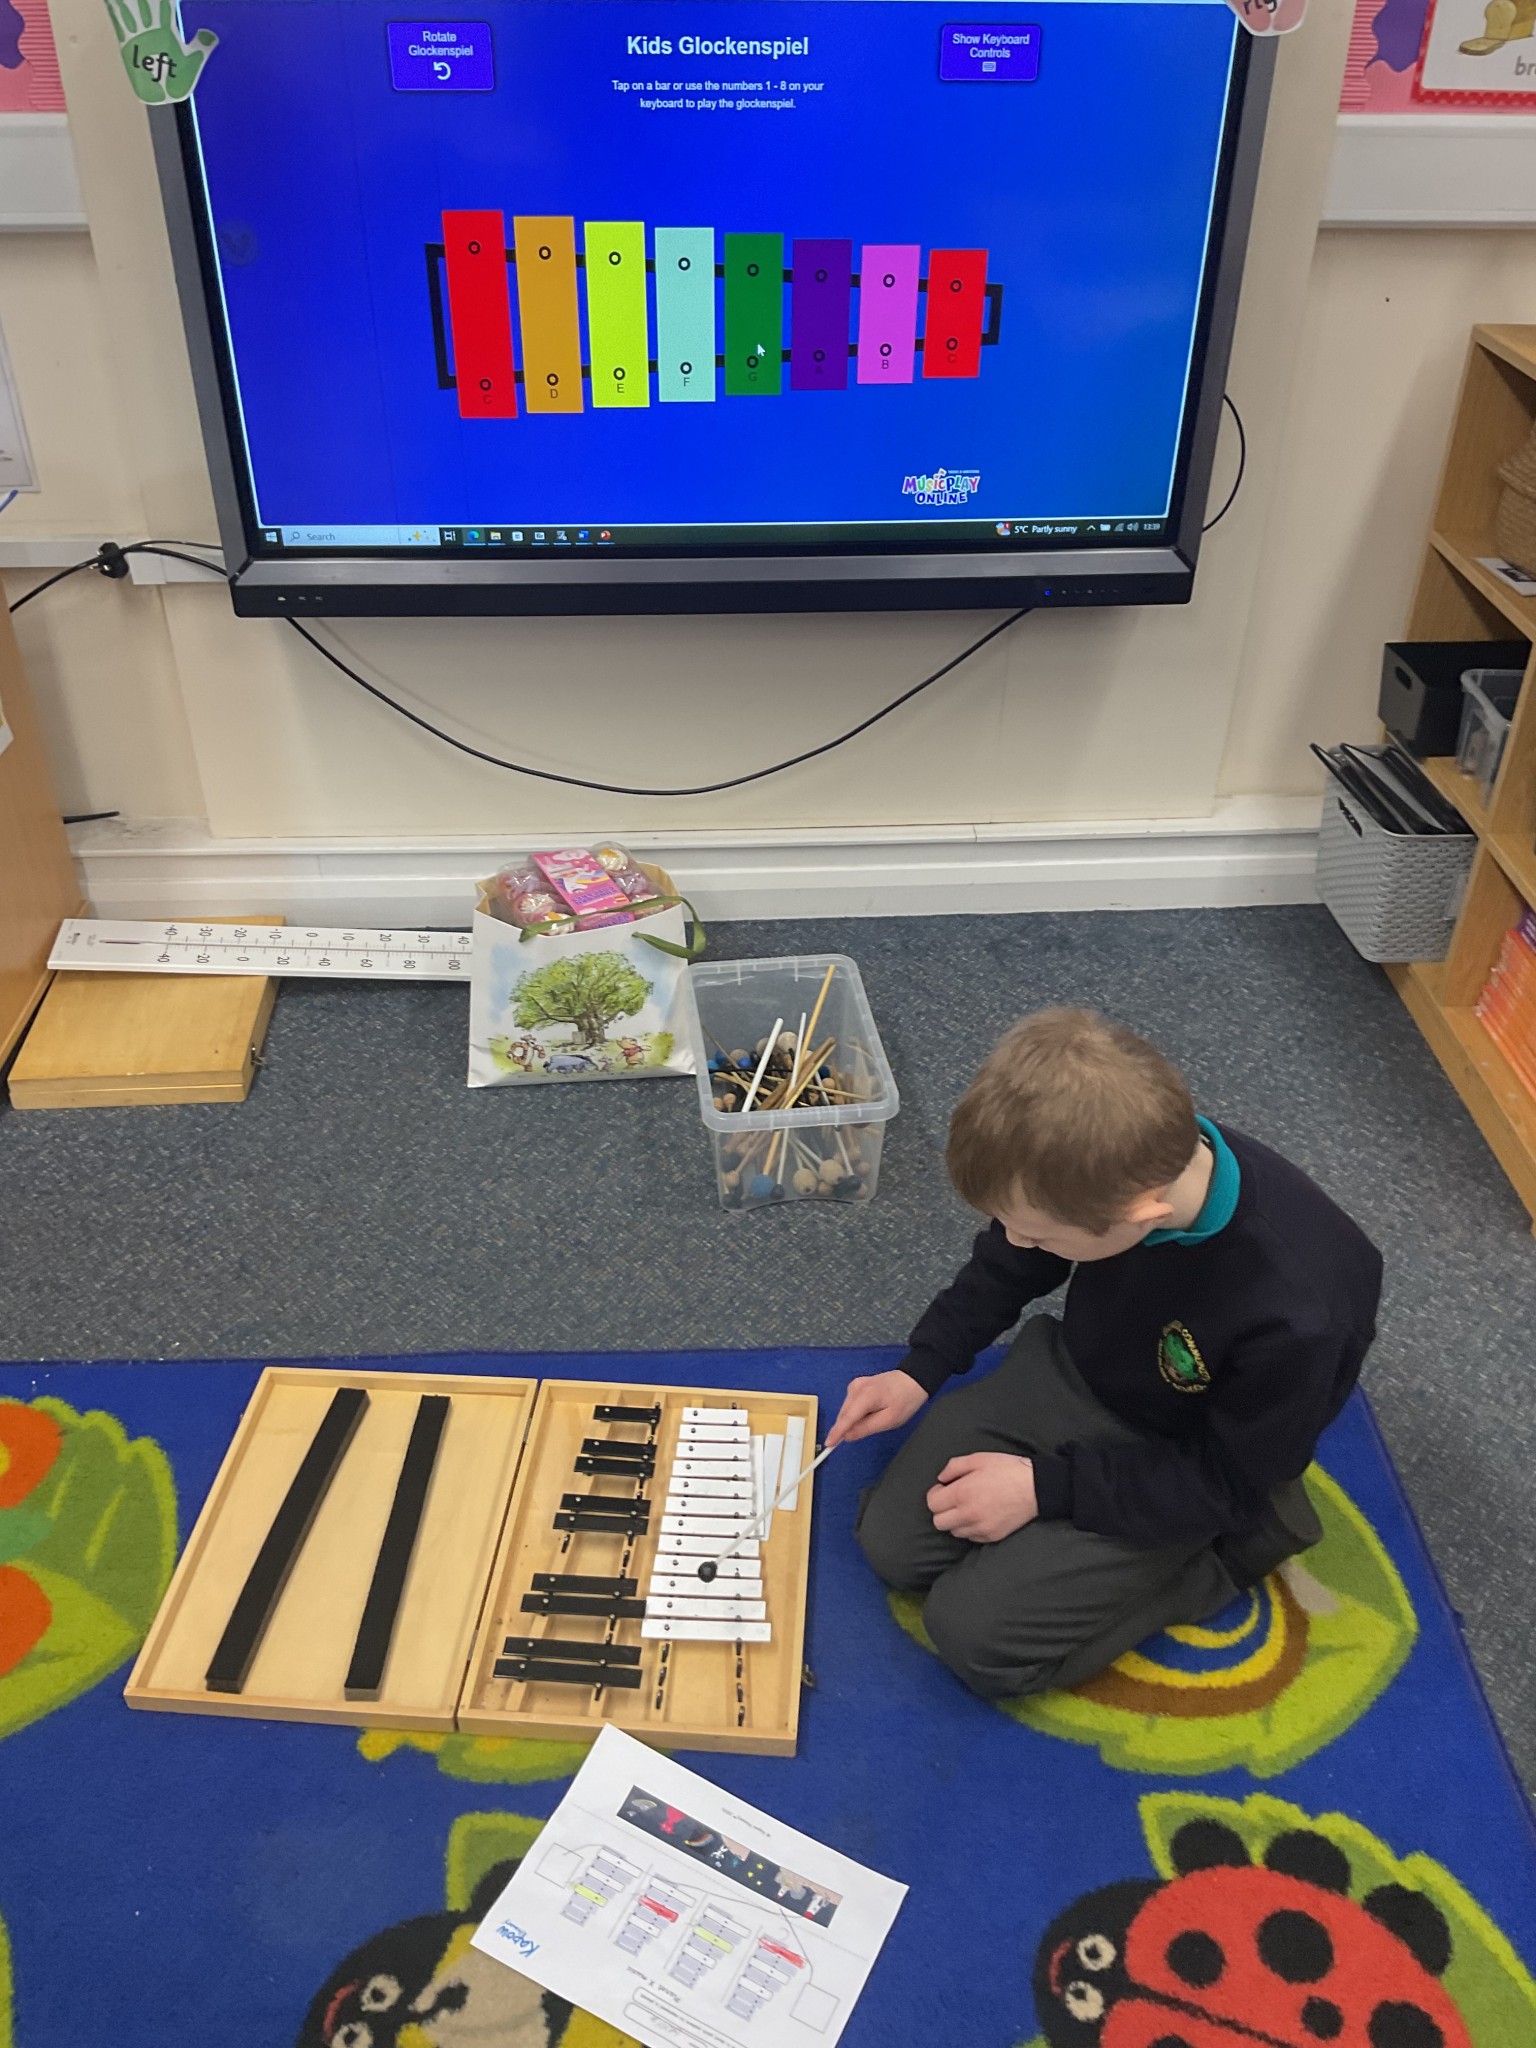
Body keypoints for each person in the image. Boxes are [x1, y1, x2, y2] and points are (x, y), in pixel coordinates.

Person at [830, 1008, 1382, 1701]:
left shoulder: (1302, 1311)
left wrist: (1043, 1489)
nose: (1016, 1242)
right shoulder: (1109, 1164)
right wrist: (922, 1367)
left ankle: (1224, 1558)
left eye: (1039, 1235)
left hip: (1188, 1464)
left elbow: (1224, 1478)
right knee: (892, 1543)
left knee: (974, 1635)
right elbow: (1010, 1262)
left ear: (1141, 1216)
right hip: (1076, 1376)